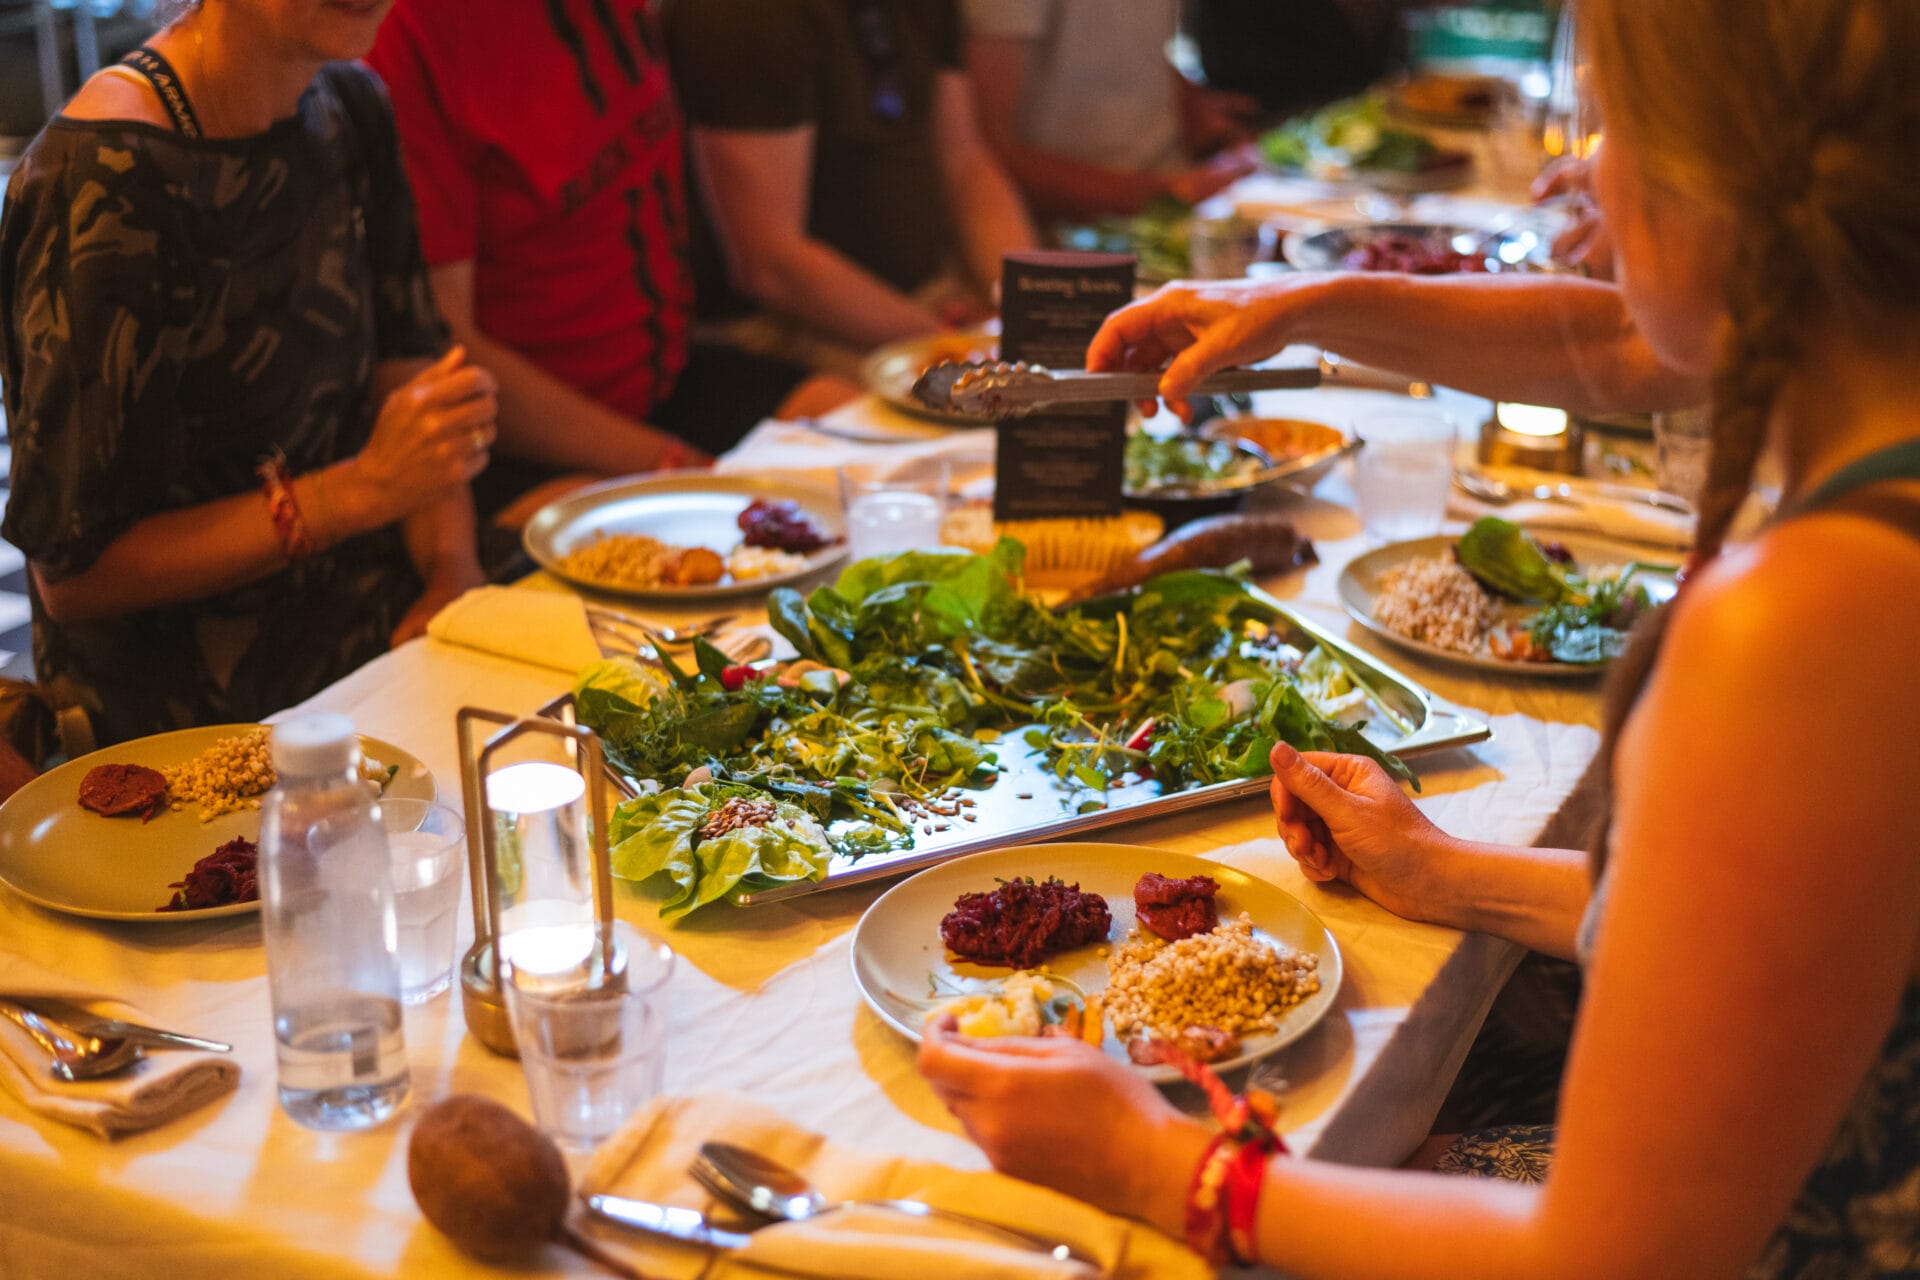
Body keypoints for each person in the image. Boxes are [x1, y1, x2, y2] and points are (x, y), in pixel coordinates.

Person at [919, 2, 1920, 1275]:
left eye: (1613, 129)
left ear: (1718, 190)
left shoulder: (1804, 621)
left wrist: (1154, 1162)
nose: (1587, 175)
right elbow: (1759, 934)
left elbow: (1613, 1254)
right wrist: (1448, 873)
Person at [0, 0, 496, 745]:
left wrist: (452, 574)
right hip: (190, 723)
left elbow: (414, 376)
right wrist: (356, 491)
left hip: (373, 651)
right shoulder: (103, 173)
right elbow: (75, 575)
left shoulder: (351, 101)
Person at [366, 0, 834, 523]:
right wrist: (673, 465)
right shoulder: (409, 36)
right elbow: (445, 347)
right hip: (528, 448)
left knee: (884, 460)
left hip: (672, 378)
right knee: (726, 542)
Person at [660, 0, 1038, 370]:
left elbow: (967, 167)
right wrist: (951, 346)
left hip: (927, 306)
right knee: (1011, 404)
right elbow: (771, 266)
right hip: (781, 334)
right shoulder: (743, 14)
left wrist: (1027, 308)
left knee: (1056, 380)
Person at [960, 0, 1257, 221]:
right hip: (1075, 236)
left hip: (1174, 205)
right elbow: (984, 152)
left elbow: (1127, 47)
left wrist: (1196, 108)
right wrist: (1171, 194)